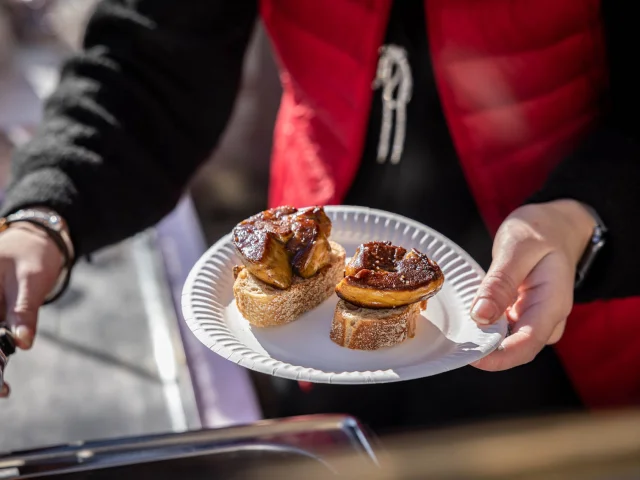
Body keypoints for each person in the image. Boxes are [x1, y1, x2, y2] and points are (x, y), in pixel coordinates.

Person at [0, 0, 638, 431]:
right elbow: (153, 59)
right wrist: (46, 213)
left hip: (573, 300)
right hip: (309, 318)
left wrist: (588, 214)